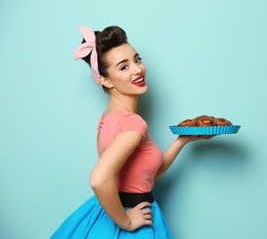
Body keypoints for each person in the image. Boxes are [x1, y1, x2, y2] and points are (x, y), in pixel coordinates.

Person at [51, 26, 211, 238]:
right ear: (105, 80)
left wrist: (181, 141)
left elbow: (142, 177)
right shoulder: (133, 124)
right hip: (130, 217)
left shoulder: (109, 116)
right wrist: (126, 222)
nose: (137, 70)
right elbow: (99, 178)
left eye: (137, 60)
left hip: (103, 213)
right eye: (123, 67)